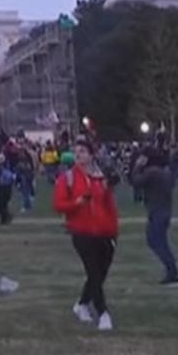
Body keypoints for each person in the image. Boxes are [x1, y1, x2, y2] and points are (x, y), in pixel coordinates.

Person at [53, 139, 119, 331]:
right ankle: (103, 313)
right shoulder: (68, 178)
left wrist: (114, 231)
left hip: (105, 232)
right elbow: (58, 204)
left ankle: (82, 304)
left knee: (100, 273)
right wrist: (77, 203)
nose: (78, 155)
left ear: (91, 155)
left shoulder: (100, 177)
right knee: (93, 272)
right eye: (76, 152)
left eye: (82, 151)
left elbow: (109, 206)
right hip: (82, 232)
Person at [130, 144, 178, 287]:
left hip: (156, 211)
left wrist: (137, 166)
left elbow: (136, 182)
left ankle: (172, 271)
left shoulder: (151, 172)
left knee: (155, 242)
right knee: (161, 242)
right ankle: (172, 269)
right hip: (165, 210)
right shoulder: (165, 172)